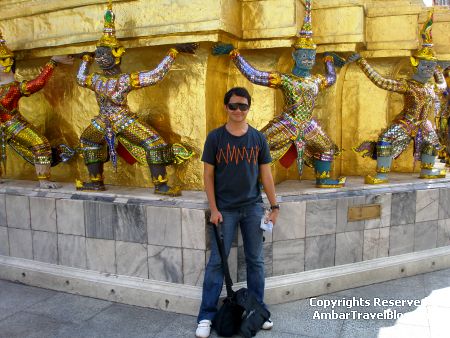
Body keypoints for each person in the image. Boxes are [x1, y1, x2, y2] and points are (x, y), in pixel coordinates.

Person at [212, 0, 346, 188]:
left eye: (311, 56)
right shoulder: (285, 79)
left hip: (307, 124)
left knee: (327, 147)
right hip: (287, 123)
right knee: (257, 144)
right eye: (304, 55)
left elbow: (331, 79)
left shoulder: (316, 80)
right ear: (295, 56)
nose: (308, 59)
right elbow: (254, 75)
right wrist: (235, 54)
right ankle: (251, 181)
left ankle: (323, 178)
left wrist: (330, 61)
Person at [75, 1, 195, 195]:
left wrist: (174, 52)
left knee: (152, 143)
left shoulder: (123, 79)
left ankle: (160, 185)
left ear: (116, 54)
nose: (99, 58)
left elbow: (155, 75)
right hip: (112, 120)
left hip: (116, 120)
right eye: (97, 55)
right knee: (90, 141)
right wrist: (86, 60)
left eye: (103, 54)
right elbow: (80, 79)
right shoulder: (96, 79)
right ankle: (97, 182)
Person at [196, 87, 279, 338]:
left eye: (243, 106)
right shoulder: (215, 138)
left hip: (252, 207)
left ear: (248, 108)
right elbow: (208, 175)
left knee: (255, 261)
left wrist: (274, 207)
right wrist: (213, 208)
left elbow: (266, 174)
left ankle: (257, 311)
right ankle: (206, 316)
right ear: (226, 107)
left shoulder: (258, 139)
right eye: (233, 106)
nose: (238, 111)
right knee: (216, 263)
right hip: (225, 210)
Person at [351, 10, 448, 183]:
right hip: (406, 122)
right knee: (385, 138)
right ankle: (381, 173)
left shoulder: (431, 86)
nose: (428, 69)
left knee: (432, 139)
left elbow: (442, 86)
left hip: (423, 123)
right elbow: (381, 82)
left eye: (430, 66)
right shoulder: (407, 85)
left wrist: (438, 70)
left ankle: (427, 169)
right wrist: (362, 62)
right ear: (415, 65)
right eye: (425, 65)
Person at [0, 31, 74, 188]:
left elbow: (38, 83)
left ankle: (44, 180)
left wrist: (52, 62)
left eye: (3, 60)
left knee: (40, 144)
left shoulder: (13, 88)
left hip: (13, 123)